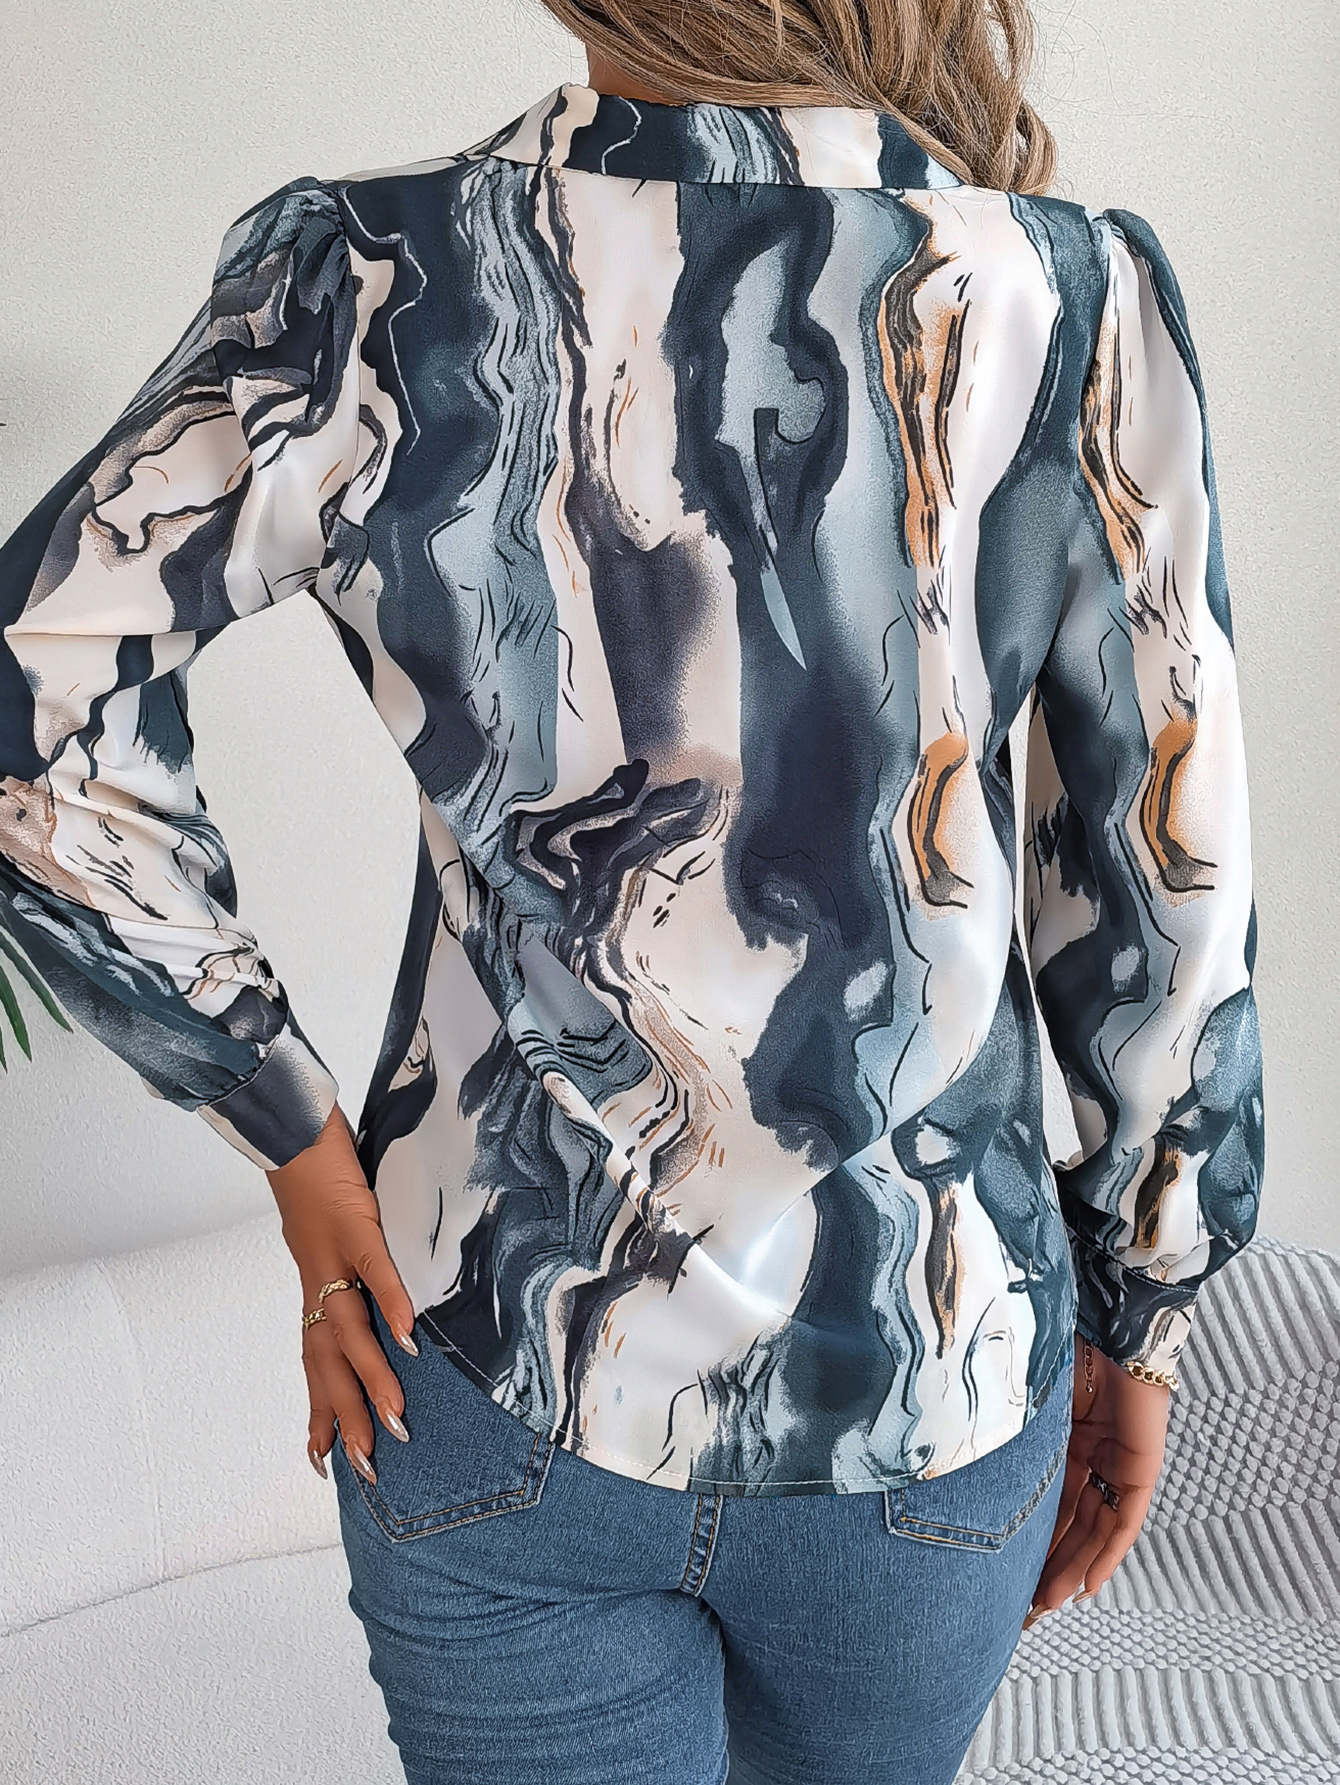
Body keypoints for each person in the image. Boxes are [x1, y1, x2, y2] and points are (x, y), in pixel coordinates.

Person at [0, 1, 1265, 1780]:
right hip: (927, 1366)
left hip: (490, 1349)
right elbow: (1162, 884)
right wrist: (1149, 1303)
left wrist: (290, 1135)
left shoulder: (373, 279)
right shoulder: (1074, 298)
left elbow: (33, 702)